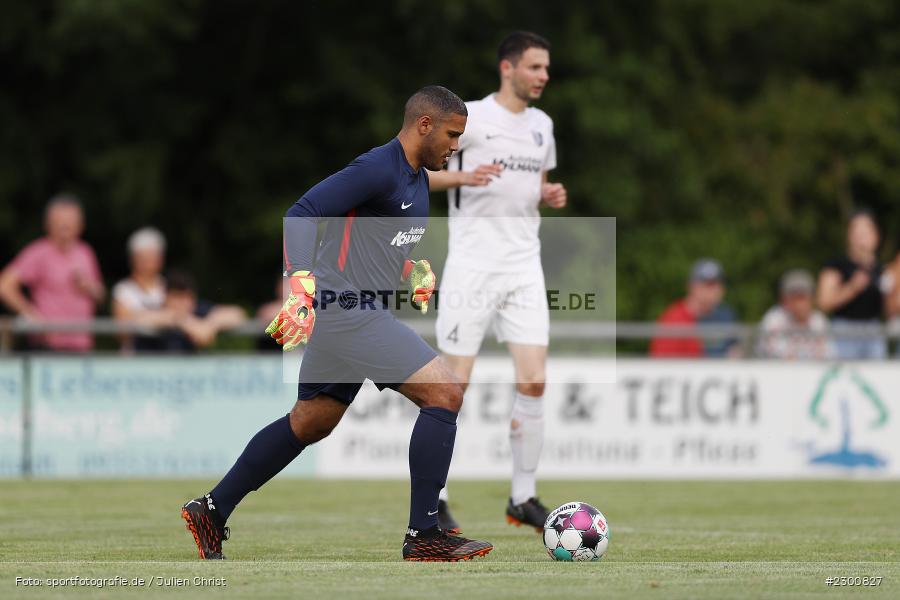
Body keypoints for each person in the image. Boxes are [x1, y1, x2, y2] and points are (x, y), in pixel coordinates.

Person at [180, 86, 493, 562]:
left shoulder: (417, 180)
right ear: (424, 125)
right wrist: (300, 288)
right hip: (345, 307)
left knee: (310, 422)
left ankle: (212, 508)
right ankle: (424, 533)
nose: (455, 146)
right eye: (452, 135)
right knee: (445, 392)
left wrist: (414, 271)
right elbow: (302, 213)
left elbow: (376, 247)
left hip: (356, 309)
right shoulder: (378, 167)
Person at [426, 31, 565, 534]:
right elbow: (419, 172)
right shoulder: (473, 118)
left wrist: (546, 194)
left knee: (534, 381)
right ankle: (434, 500)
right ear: (507, 68)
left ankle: (522, 498)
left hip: (525, 266)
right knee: (450, 389)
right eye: (535, 67)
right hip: (473, 266)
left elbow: (533, 186)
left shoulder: (542, 126)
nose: (543, 76)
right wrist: (462, 177)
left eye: (546, 68)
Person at [0, 195, 104, 351]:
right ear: (48, 224)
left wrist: (91, 288)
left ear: (80, 225)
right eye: (60, 222)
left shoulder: (86, 252)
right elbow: (4, 286)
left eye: (70, 222)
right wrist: (31, 315)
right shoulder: (38, 252)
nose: (65, 226)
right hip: (47, 346)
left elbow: (100, 295)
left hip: (81, 346)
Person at [817, 210, 886, 359]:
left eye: (866, 231)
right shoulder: (836, 265)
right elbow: (824, 302)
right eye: (857, 232)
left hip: (874, 331)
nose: (862, 237)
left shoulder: (883, 270)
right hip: (844, 331)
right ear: (849, 236)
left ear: (876, 236)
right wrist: (851, 288)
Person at [133, 270, 246, 352]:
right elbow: (139, 319)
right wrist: (183, 321)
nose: (184, 303)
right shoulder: (157, 310)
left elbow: (237, 314)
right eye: (178, 297)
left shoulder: (199, 309)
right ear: (166, 297)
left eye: (188, 297)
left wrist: (209, 326)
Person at [649, 258, 726, 357]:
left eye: (719, 284)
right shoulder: (674, 320)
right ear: (691, 286)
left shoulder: (724, 316)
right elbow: (664, 367)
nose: (716, 290)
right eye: (708, 284)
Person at [111, 227, 169, 350]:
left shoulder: (168, 287)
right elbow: (122, 331)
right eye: (143, 257)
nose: (148, 262)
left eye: (152, 256)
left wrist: (138, 318)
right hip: (134, 359)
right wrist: (163, 318)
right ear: (133, 259)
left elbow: (180, 315)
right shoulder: (122, 290)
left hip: (165, 357)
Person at [757, 269, 832, 359]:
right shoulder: (773, 319)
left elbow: (829, 354)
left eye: (803, 297)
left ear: (812, 298)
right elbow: (775, 356)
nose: (799, 304)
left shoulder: (819, 320)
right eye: (794, 297)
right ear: (784, 300)